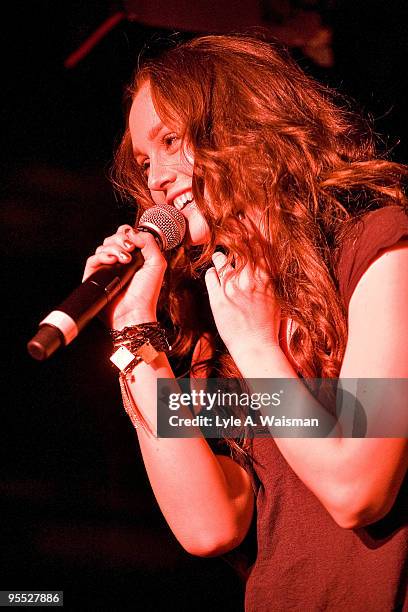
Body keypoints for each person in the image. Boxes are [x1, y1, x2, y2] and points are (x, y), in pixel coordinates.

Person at [83, 34, 408, 611]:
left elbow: (359, 488)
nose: (155, 177)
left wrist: (258, 344)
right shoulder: (220, 306)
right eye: (143, 160)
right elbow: (211, 523)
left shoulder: (380, 249)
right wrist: (135, 337)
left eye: (171, 141)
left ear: (244, 129)